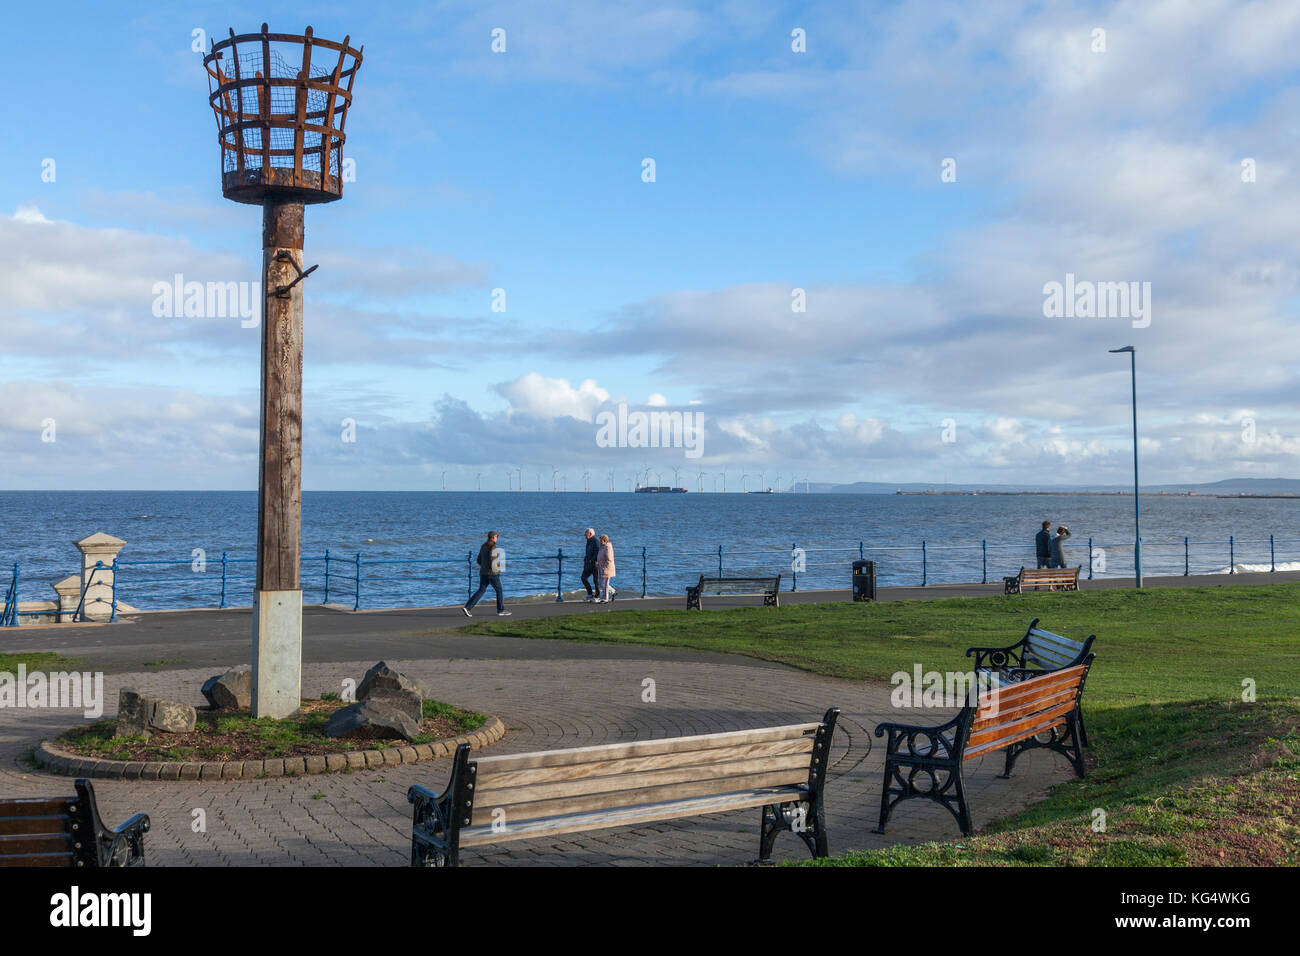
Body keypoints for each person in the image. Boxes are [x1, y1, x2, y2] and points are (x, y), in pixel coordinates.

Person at [462, 531, 511, 617]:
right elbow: (493, 561)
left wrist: (484, 567)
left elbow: (478, 560)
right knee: (499, 590)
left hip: (483, 572)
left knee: (481, 590)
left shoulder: (483, 546)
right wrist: (496, 570)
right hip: (492, 574)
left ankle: (467, 607)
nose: (497, 538)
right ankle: (501, 610)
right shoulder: (493, 547)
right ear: (493, 537)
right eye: (496, 537)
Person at [595, 533, 616, 603]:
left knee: (605, 584)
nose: (600, 541)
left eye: (601, 540)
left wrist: (605, 567)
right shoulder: (602, 547)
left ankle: (605, 598)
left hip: (607, 569)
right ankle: (613, 592)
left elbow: (609, 559)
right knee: (600, 583)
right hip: (600, 567)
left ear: (605, 540)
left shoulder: (608, 547)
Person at [581, 528, 600, 602]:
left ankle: (597, 596)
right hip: (588, 564)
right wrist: (586, 560)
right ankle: (590, 594)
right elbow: (587, 553)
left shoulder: (595, 541)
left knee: (596, 581)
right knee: (583, 578)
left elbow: (597, 553)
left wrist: (592, 560)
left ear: (590, 534)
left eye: (586, 534)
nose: (585, 535)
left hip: (595, 565)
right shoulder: (588, 541)